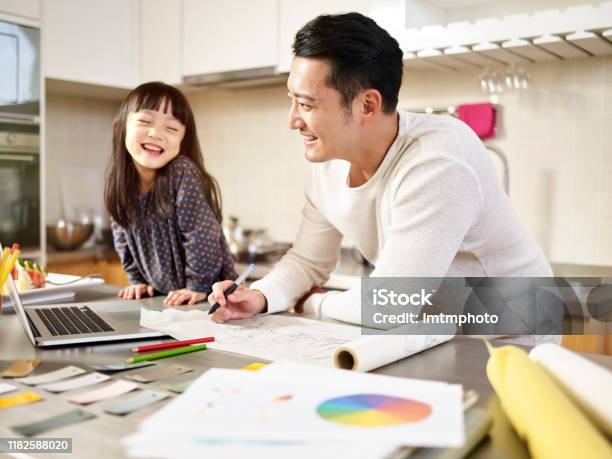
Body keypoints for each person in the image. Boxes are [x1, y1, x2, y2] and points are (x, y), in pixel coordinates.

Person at [208, 13, 552, 326]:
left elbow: (391, 305)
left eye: (307, 104)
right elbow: (307, 261)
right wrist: (260, 296)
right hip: (433, 328)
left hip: (510, 332)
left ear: (367, 105)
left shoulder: (438, 162)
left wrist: (311, 304)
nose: (293, 121)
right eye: (292, 100)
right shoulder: (328, 161)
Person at [105, 81, 236, 306]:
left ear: (183, 140)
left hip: (210, 297)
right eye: (145, 121)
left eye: (172, 128)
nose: (156, 133)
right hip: (167, 299)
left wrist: (198, 285)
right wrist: (136, 279)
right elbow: (122, 236)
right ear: (120, 128)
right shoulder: (119, 181)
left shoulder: (181, 172)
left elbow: (200, 235)